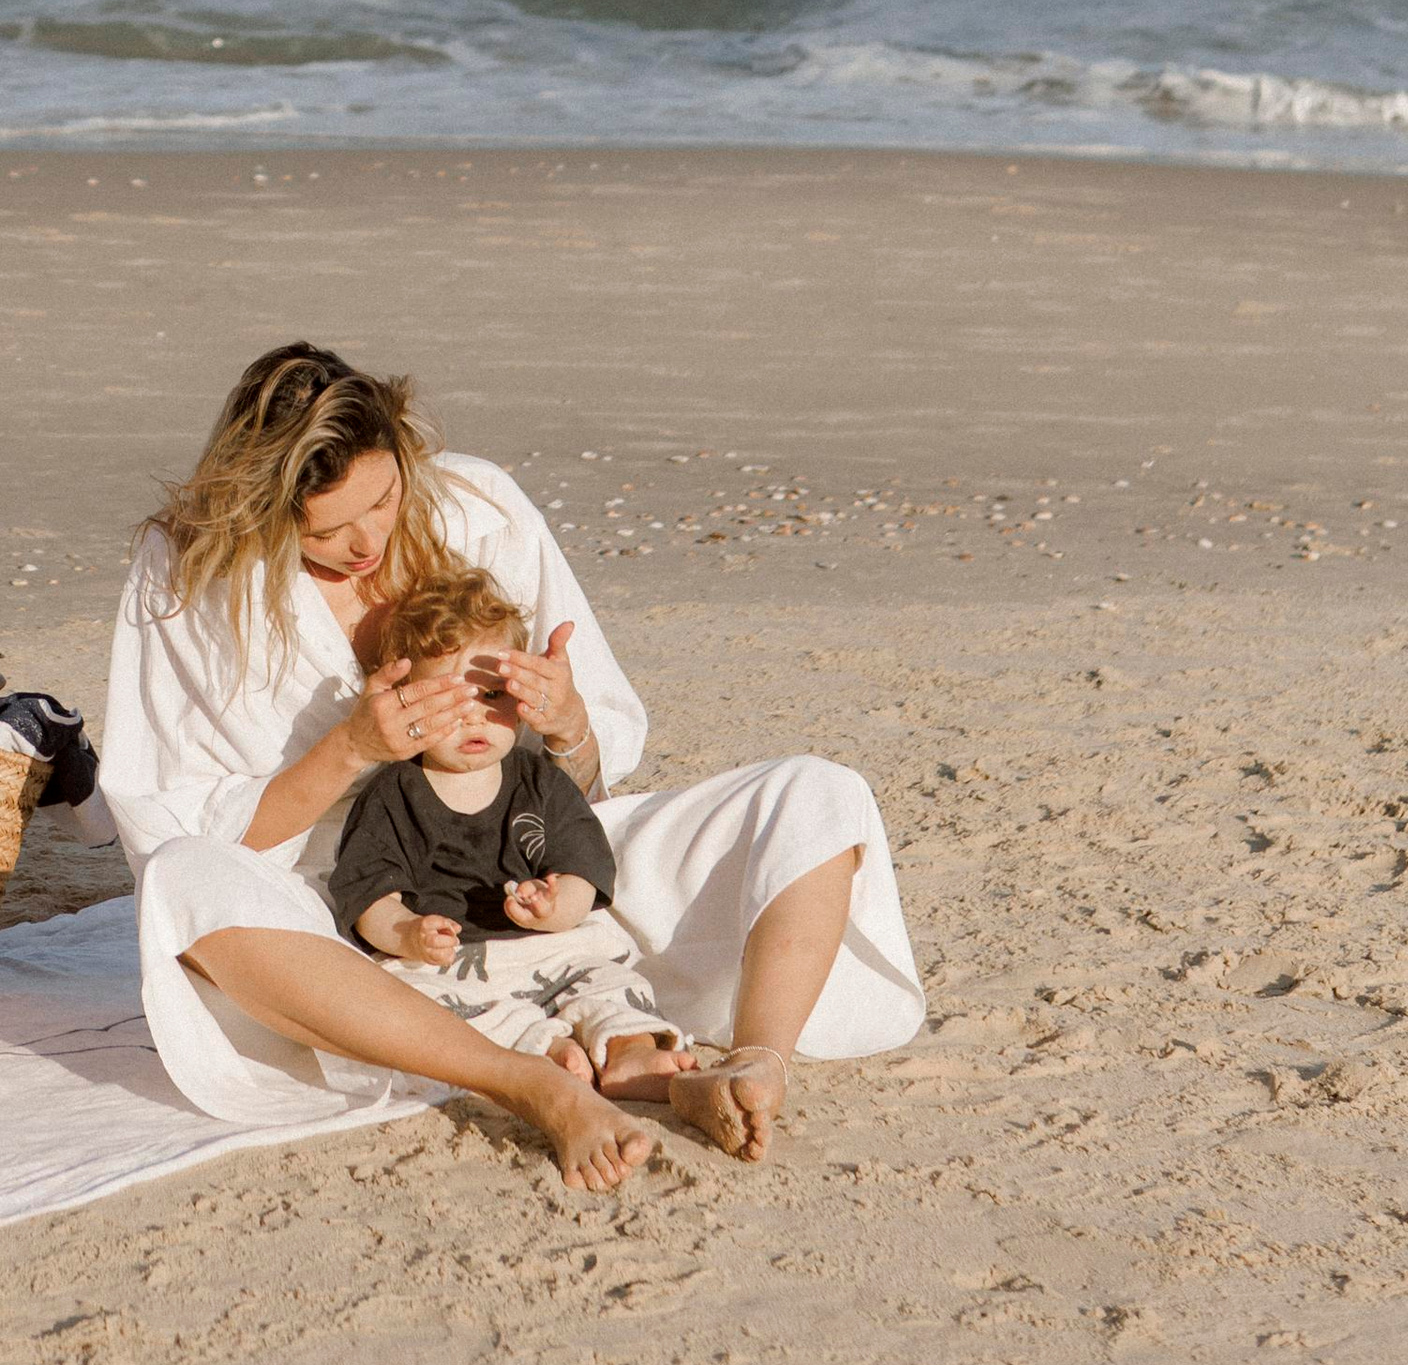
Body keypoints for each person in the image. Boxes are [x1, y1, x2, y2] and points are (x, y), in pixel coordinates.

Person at [99, 342, 925, 1194]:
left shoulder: (478, 507)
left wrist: (566, 722)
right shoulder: (188, 579)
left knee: (817, 793)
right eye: (324, 530)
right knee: (183, 882)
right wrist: (350, 749)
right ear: (262, 508)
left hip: (538, 866)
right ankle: (527, 1082)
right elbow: (183, 829)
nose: (364, 542)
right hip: (345, 915)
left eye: (382, 500)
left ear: (405, 456)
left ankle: (756, 1063)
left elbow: (589, 787)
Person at [326, 562, 690, 1097]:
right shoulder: (392, 795)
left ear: (519, 699)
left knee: (612, 979)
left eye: (492, 698)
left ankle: (630, 1051)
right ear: (406, 701)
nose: (475, 718)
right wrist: (407, 932)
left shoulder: (539, 781)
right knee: (428, 1008)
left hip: (552, 949)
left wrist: (556, 903)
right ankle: (545, 1051)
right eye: (450, 702)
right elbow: (367, 896)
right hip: (453, 964)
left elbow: (583, 869)